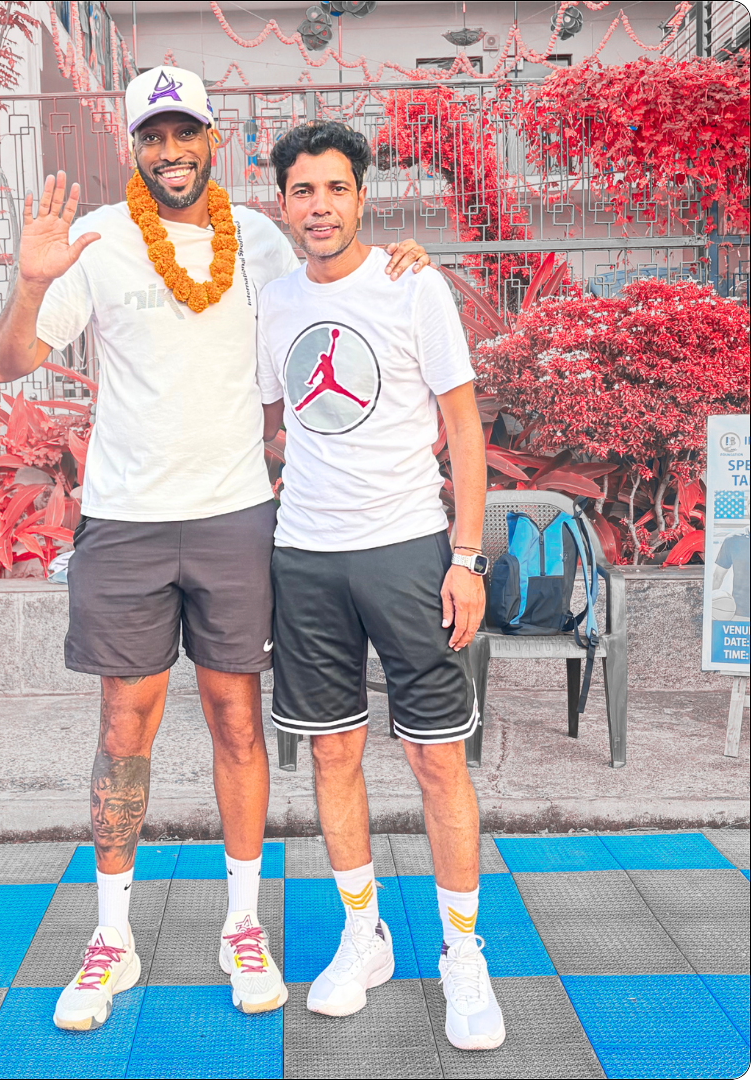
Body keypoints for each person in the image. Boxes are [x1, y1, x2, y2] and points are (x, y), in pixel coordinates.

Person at [0, 65, 429, 1029]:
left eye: (187, 133)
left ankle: (241, 926)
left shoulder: (263, 240)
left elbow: (332, 298)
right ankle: (112, 940)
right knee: (121, 734)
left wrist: (402, 267)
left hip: (236, 515)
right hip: (127, 522)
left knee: (238, 722)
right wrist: (29, 286)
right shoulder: (95, 240)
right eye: (155, 135)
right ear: (134, 145)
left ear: (210, 141)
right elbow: (11, 362)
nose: (172, 151)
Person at [257, 121, 506, 1050]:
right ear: (283, 203)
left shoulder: (415, 285)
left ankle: (462, 955)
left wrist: (467, 556)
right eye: (301, 191)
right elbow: (278, 423)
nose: (317, 206)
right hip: (305, 558)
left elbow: (465, 430)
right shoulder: (274, 302)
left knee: (437, 758)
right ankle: (364, 936)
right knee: (330, 755)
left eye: (333, 189)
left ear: (361, 196)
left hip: (408, 551)